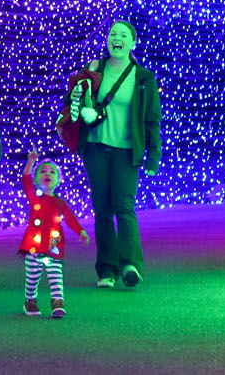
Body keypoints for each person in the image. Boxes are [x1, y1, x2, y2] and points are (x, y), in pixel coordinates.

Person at [67, 20, 162, 288]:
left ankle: (130, 265)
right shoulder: (94, 68)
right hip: (96, 148)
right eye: (112, 34)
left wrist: (153, 154)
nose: (116, 38)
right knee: (102, 210)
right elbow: (74, 97)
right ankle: (106, 270)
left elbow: (152, 119)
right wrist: (81, 104)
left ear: (132, 43)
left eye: (123, 35)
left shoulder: (143, 77)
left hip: (126, 152)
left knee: (124, 207)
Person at [18, 152, 89, 318]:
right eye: (42, 171)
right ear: (36, 179)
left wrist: (81, 231)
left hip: (53, 246)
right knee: (32, 278)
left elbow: (71, 218)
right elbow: (26, 180)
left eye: (52, 172)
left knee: (56, 276)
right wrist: (30, 161)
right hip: (33, 247)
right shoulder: (34, 197)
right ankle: (30, 300)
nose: (47, 174)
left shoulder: (60, 202)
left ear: (58, 180)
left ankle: (57, 302)